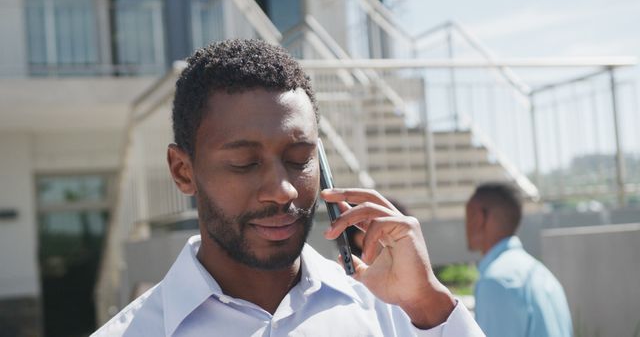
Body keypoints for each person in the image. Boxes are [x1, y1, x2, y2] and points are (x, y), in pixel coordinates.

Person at [92, 39, 483, 336]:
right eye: (245, 163)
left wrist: (427, 303)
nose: (283, 191)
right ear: (182, 170)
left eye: (299, 159)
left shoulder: (396, 313)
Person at [465, 182, 572, 337]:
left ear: (479, 218)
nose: (466, 225)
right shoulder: (544, 274)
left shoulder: (496, 281)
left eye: (469, 216)